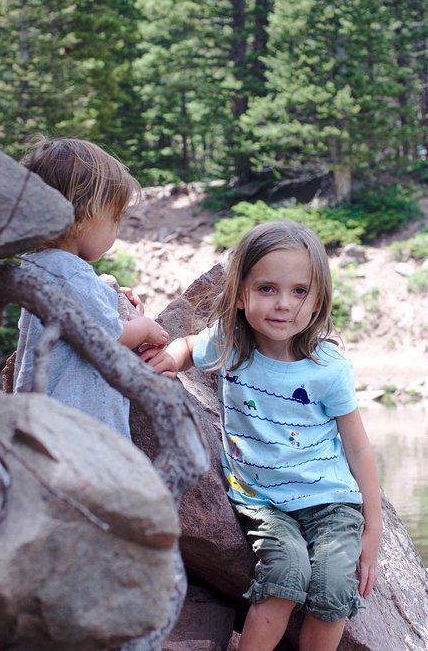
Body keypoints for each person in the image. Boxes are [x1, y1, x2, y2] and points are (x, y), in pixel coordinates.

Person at [146, 220, 382, 651]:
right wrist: (168, 357)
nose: (283, 304)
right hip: (263, 501)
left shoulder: (328, 368)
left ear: (317, 300)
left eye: (299, 291)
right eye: (267, 288)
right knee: (284, 579)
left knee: (332, 589)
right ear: (241, 295)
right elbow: (188, 345)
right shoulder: (232, 346)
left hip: (332, 502)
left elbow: (358, 447)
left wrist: (373, 530)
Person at [11, 136, 169, 439]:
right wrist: (148, 328)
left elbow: (76, 308)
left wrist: (107, 290)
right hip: (81, 422)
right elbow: (111, 337)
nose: (116, 230)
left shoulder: (39, 265)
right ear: (83, 216)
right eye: (114, 218)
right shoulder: (72, 275)